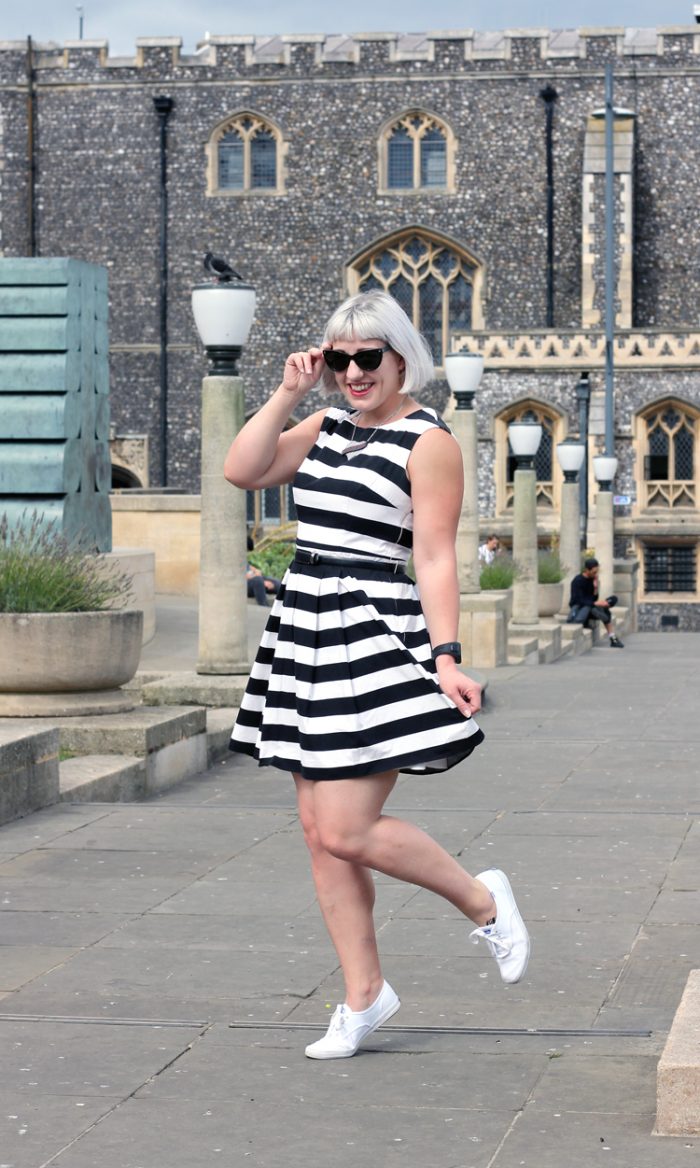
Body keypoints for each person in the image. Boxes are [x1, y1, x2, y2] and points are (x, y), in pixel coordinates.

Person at [224, 290, 530, 1060]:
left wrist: (448, 653)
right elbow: (242, 469)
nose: (354, 372)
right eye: (340, 359)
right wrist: (289, 391)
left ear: (401, 357)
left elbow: (433, 556)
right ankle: (364, 998)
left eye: (368, 357)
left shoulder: (429, 441)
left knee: (347, 826)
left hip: (374, 629)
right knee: (318, 835)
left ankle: (483, 898)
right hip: (306, 625)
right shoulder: (325, 423)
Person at [568, 557, 624, 647]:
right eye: (594, 572)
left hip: (590, 606)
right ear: (587, 570)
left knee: (613, 599)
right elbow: (577, 600)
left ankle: (613, 638)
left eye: (597, 571)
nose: (595, 574)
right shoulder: (577, 581)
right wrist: (596, 603)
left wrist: (595, 588)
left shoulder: (592, 580)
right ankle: (613, 639)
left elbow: (593, 598)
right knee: (601, 611)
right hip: (581, 608)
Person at [246, 535, 282, 607]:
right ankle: (264, 607)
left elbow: (248, 566)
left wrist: (256, 570)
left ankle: (282, 609)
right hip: (242, 586)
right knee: (258, 581)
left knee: (276, 582)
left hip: (254, 579)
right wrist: (262, 581)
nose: (246, 552)